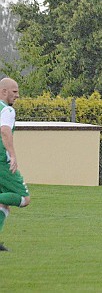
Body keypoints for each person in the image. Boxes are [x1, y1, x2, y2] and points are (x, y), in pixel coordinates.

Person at [0, 77, 31, 251]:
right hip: (2, 163)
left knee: (4, 205)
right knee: (23, 198)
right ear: (4, 91)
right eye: (14, 91)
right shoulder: (7, 111)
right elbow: (5, 131)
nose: (17, 95)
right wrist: (12, 155)